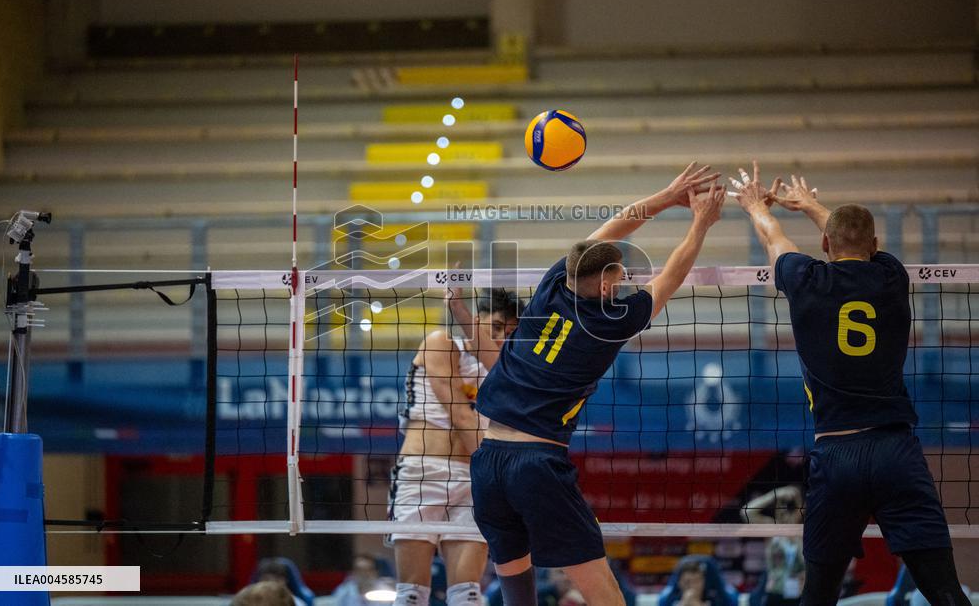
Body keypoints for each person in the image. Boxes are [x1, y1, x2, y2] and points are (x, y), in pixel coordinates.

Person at [471, 162, 725, 605]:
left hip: (488, 459)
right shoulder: (609, 321)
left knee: (512, 574)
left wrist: (666, 196)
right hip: (536, 463)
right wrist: (701, 223)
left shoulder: (554, 281)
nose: (626, 276)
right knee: (598, 584)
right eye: (620, 272)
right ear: (605, 284)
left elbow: (611, 231)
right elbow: (672, 277)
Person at [731, 162, 969, 606]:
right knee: (944, 590)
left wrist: (754, 207)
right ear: (876, 246)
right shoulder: (892, 277)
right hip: (896, 452)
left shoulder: (806, 279)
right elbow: (850, 237)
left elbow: (774, 239)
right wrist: (814, 206)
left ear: (824, 245)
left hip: (837, 456)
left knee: (818, 595)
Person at [389, 289, 524, 606]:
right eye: (496, 327)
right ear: (475, 322)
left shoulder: (506, 372)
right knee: (411, 595)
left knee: (468, 596)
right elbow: (460, 413)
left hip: (472, 479)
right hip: (423, 474)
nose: (502, 338)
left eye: (510, 333)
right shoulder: (442, 344)